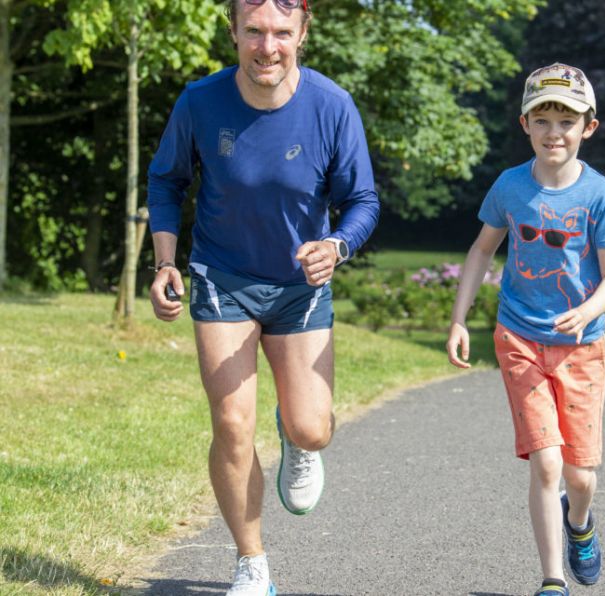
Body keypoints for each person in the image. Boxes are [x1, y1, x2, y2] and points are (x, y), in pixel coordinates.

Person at [146, 0, 379, 593]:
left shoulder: (331, 106)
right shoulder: (200, 101)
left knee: (312, 429)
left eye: (280, 32)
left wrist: (337, 246)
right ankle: (251, 563)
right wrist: (166, 262)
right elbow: (166, 181)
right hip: (222, 277)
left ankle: (296, 434)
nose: (266, 46)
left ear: (302, 34)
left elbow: (363, 202)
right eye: (253, 31)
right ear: (233, 33)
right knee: (230, 423)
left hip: (301, 289)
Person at [446, 63, 605, 596]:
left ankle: (581, 523)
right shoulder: (510, 187)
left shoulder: (599, 195)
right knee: (547, 463)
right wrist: (459, 319)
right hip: (519, 340)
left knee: (579, 476)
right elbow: (482, 249)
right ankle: (552, 580)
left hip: (582, 348)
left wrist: (588, 310)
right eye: (542, 119)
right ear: (525, 123)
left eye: (566, 121)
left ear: (588, 127)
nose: (554, 132)